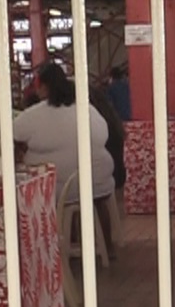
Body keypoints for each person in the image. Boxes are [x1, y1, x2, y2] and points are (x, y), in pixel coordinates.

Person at [12, 62, 113, 207]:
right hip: (101, 183)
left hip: (63, 190)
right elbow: (105, 133)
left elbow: (12, 134)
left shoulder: (34, 115)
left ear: (44, 87)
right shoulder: (87, 109)